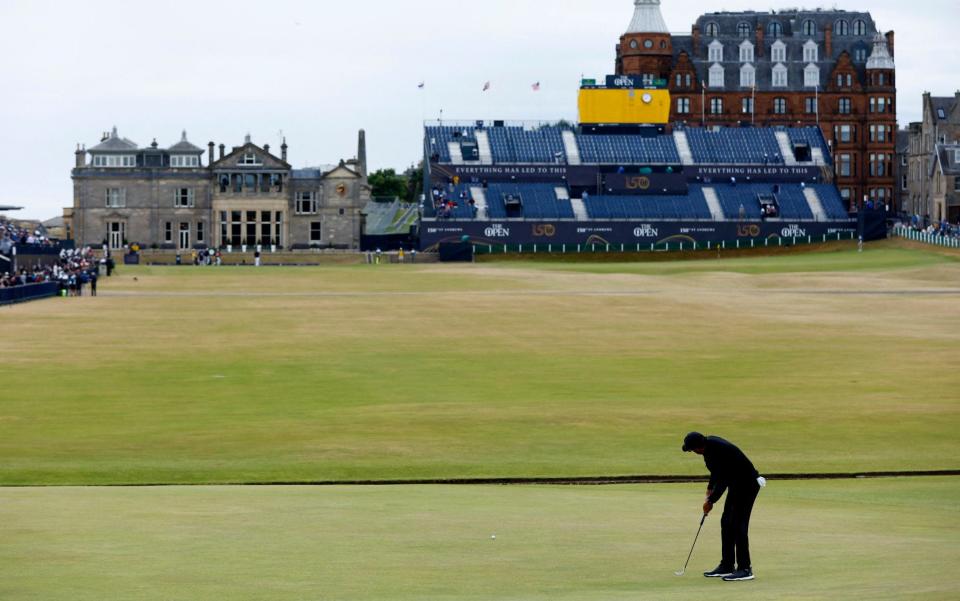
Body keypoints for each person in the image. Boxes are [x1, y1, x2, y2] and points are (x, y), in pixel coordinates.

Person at [682, 432, 764, 582]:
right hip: (736, 484)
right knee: (726, 522)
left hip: (747, 484)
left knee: (738, 525)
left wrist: (711, 501)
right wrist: (709, 489)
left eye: (693, 450)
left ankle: (745, 569)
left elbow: (723, 479)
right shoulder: (708, 449)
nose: (693, 453)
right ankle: (727, 565)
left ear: (699, 447)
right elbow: (716, 472)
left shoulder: (719, 449)